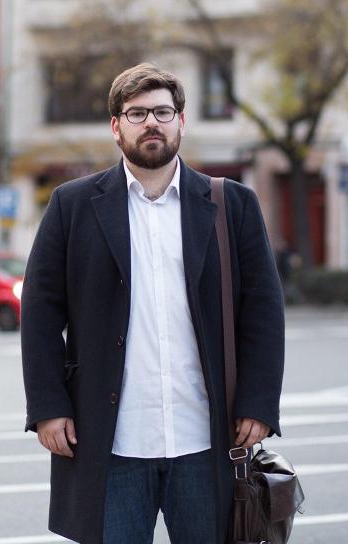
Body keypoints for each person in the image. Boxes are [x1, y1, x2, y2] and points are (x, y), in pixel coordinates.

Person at [21, 63, 285, 544]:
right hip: (110, 441)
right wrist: (47, 406)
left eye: (163, 112)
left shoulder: (233, 205)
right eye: (137, 113)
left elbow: (263, 311)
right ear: (116, 126)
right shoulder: (71, 206)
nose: (151, 123)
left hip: (208, 439)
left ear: (181, 122)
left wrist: (259, 402)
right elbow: (40, 312)